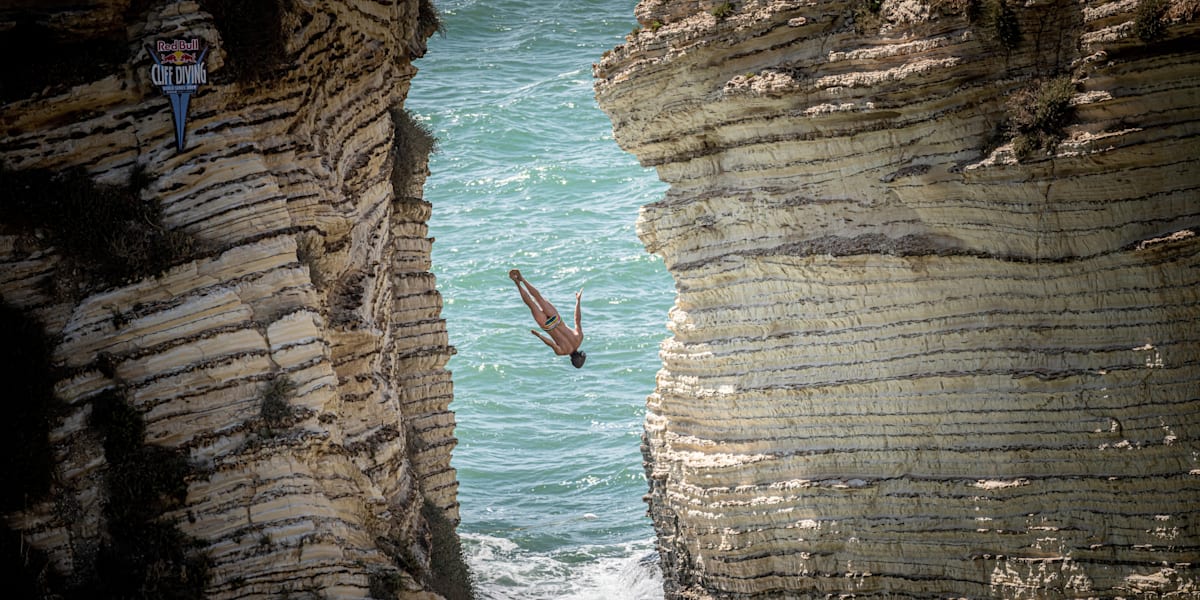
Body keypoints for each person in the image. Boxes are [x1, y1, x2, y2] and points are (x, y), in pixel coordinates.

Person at [509, 269, 586, 368]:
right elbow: (549, 343)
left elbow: (577, 319)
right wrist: (538, 335)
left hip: (556, 320)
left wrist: (578, 300)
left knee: (538, 297)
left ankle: (522, 279)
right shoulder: (562, 352)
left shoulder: (579, 338)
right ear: (571, 360)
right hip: (548, 326)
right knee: (531, 304)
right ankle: (517, 283)